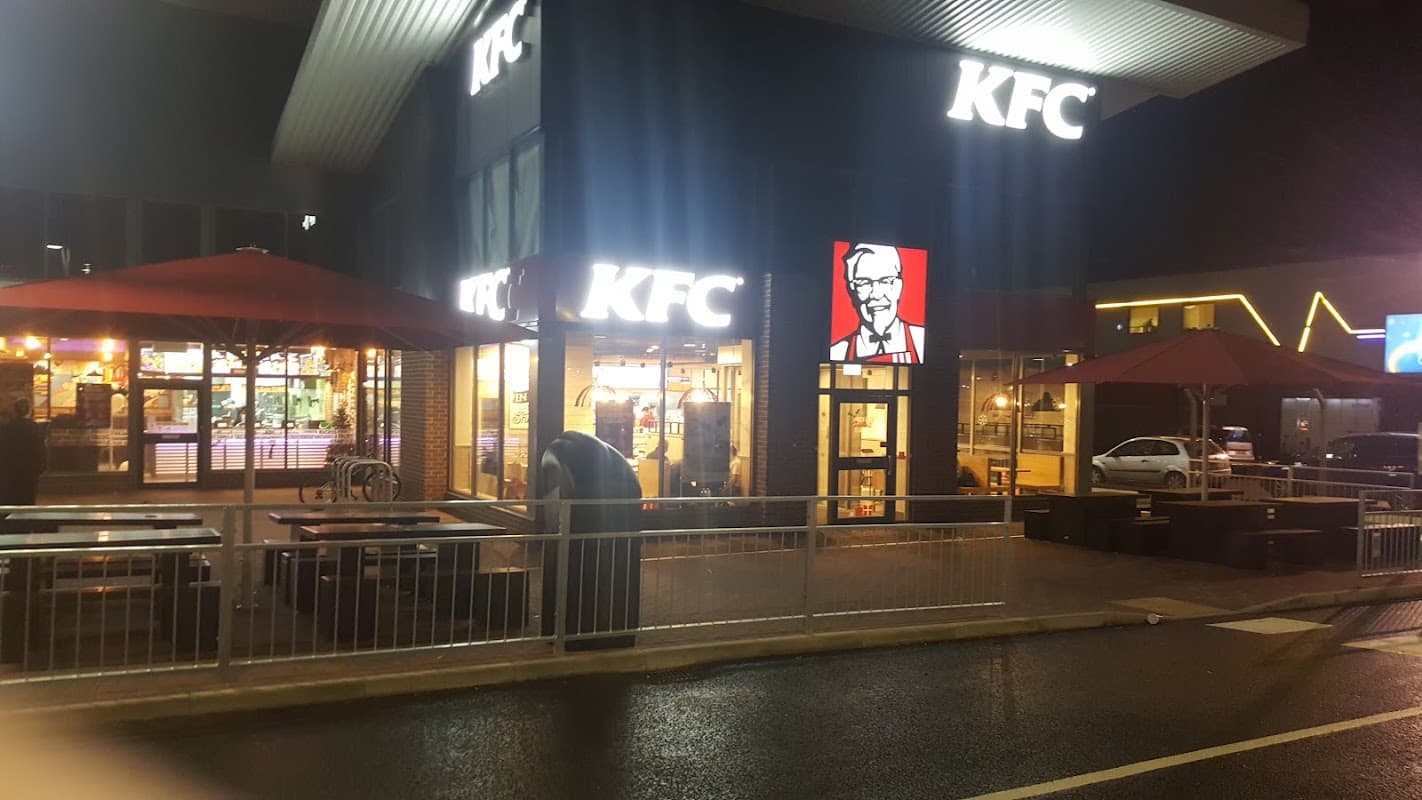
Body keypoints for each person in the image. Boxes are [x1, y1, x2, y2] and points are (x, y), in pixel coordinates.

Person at [828, 243, 925, 364]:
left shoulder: (921, 341)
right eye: (864, 282)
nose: (876, 294)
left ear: (899, 287)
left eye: (885, 281)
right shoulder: (838, 352)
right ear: (852, 291)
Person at [0, 398, 46, 507]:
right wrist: (42, 466)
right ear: (29, 411)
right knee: (28, 497)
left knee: (12, 495)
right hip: (29, 468)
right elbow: (39, 449)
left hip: (10, 468)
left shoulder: (7, 427)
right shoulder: (35, 428)